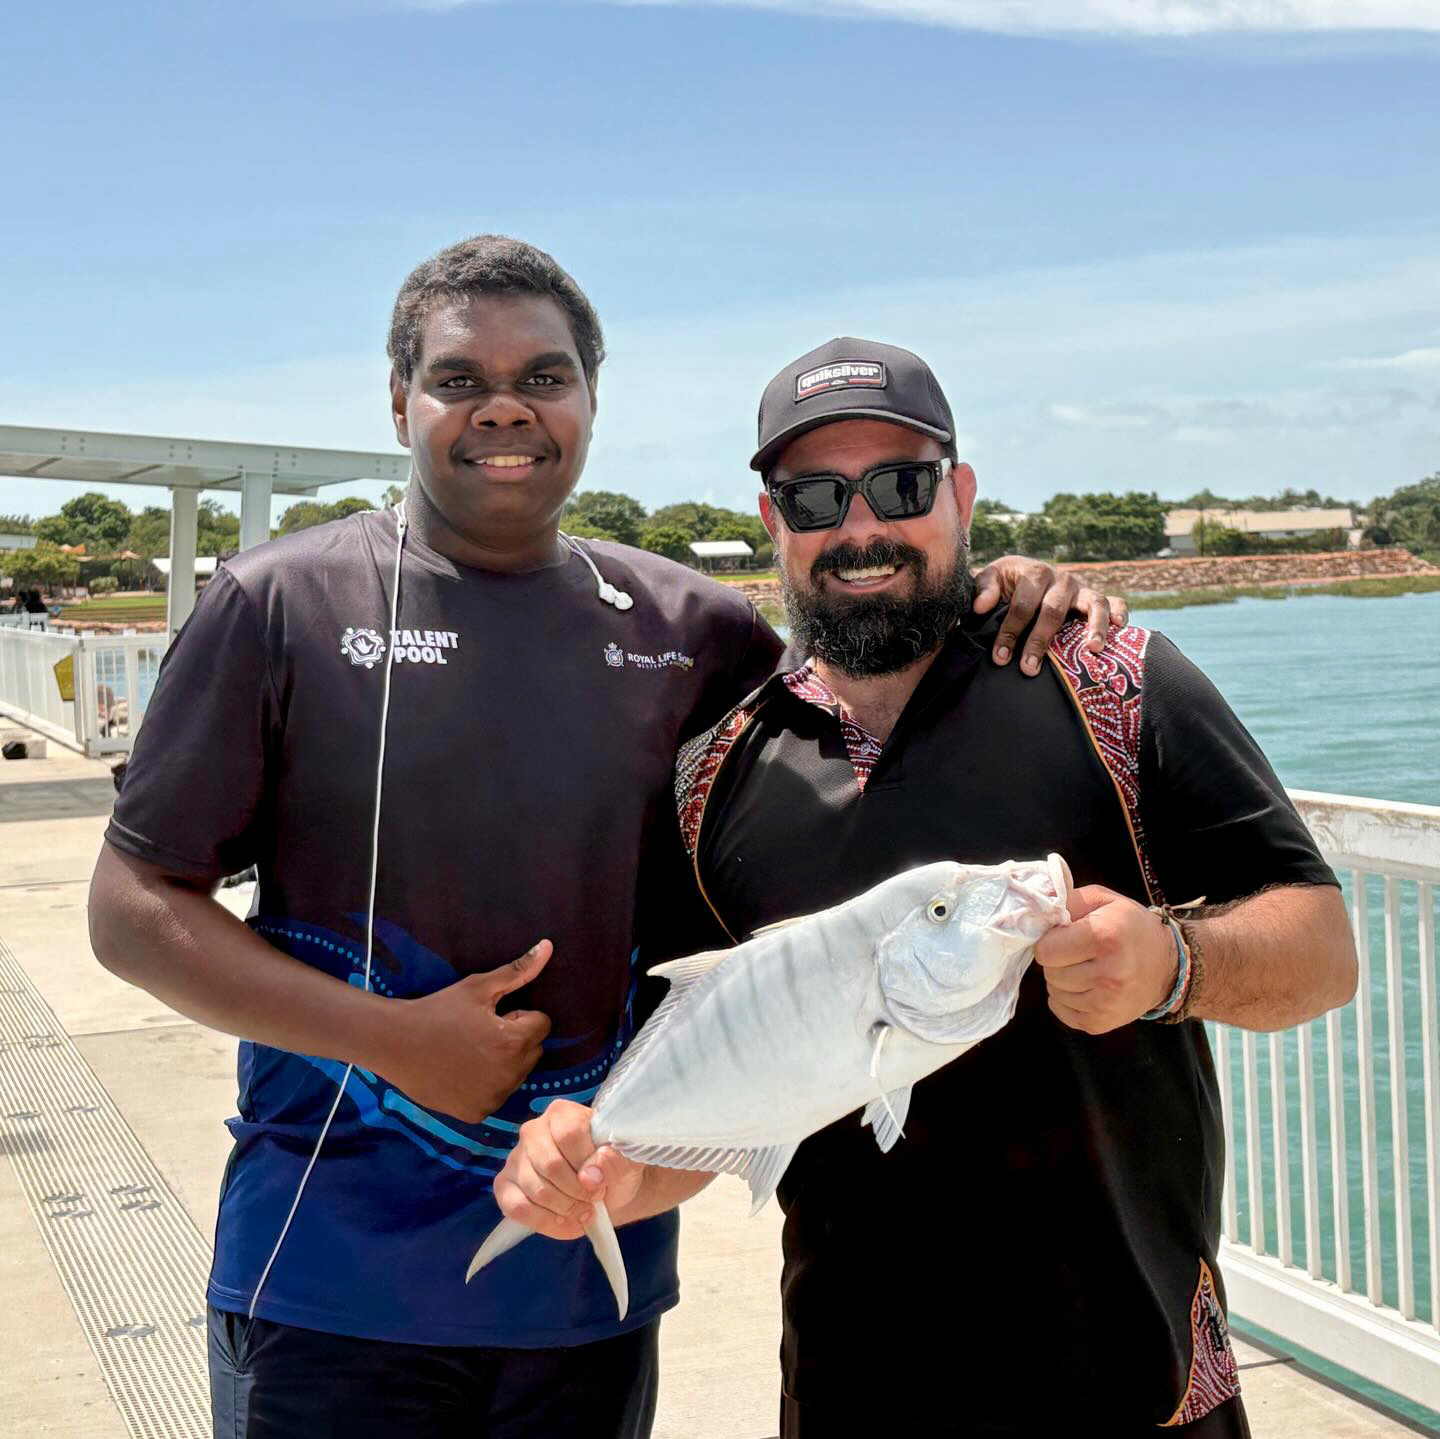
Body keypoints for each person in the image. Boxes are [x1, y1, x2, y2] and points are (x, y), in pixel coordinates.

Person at [86, 242, 1118, 1437]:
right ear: (398, 400)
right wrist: (393, 1040)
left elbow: (873, 669)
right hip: (331, 1272)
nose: (507, 406)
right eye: (460, 378)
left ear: (590, 397)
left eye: (547, 374)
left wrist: (1012, 590)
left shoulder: (695, 629)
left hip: (591, 1265)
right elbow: (130, 904)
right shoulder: (281, 605)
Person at [490, 337, 1358, 1438]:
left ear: (959, 494)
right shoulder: (715, 774)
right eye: (815, 495)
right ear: (773, 522)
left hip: (1143, 1386)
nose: (860, 528)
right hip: (850, 1389)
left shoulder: (1115, 678)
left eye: (900, 485)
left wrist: (1172, 963)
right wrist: (596, 1179)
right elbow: (711, 1100)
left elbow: (1323, 949)